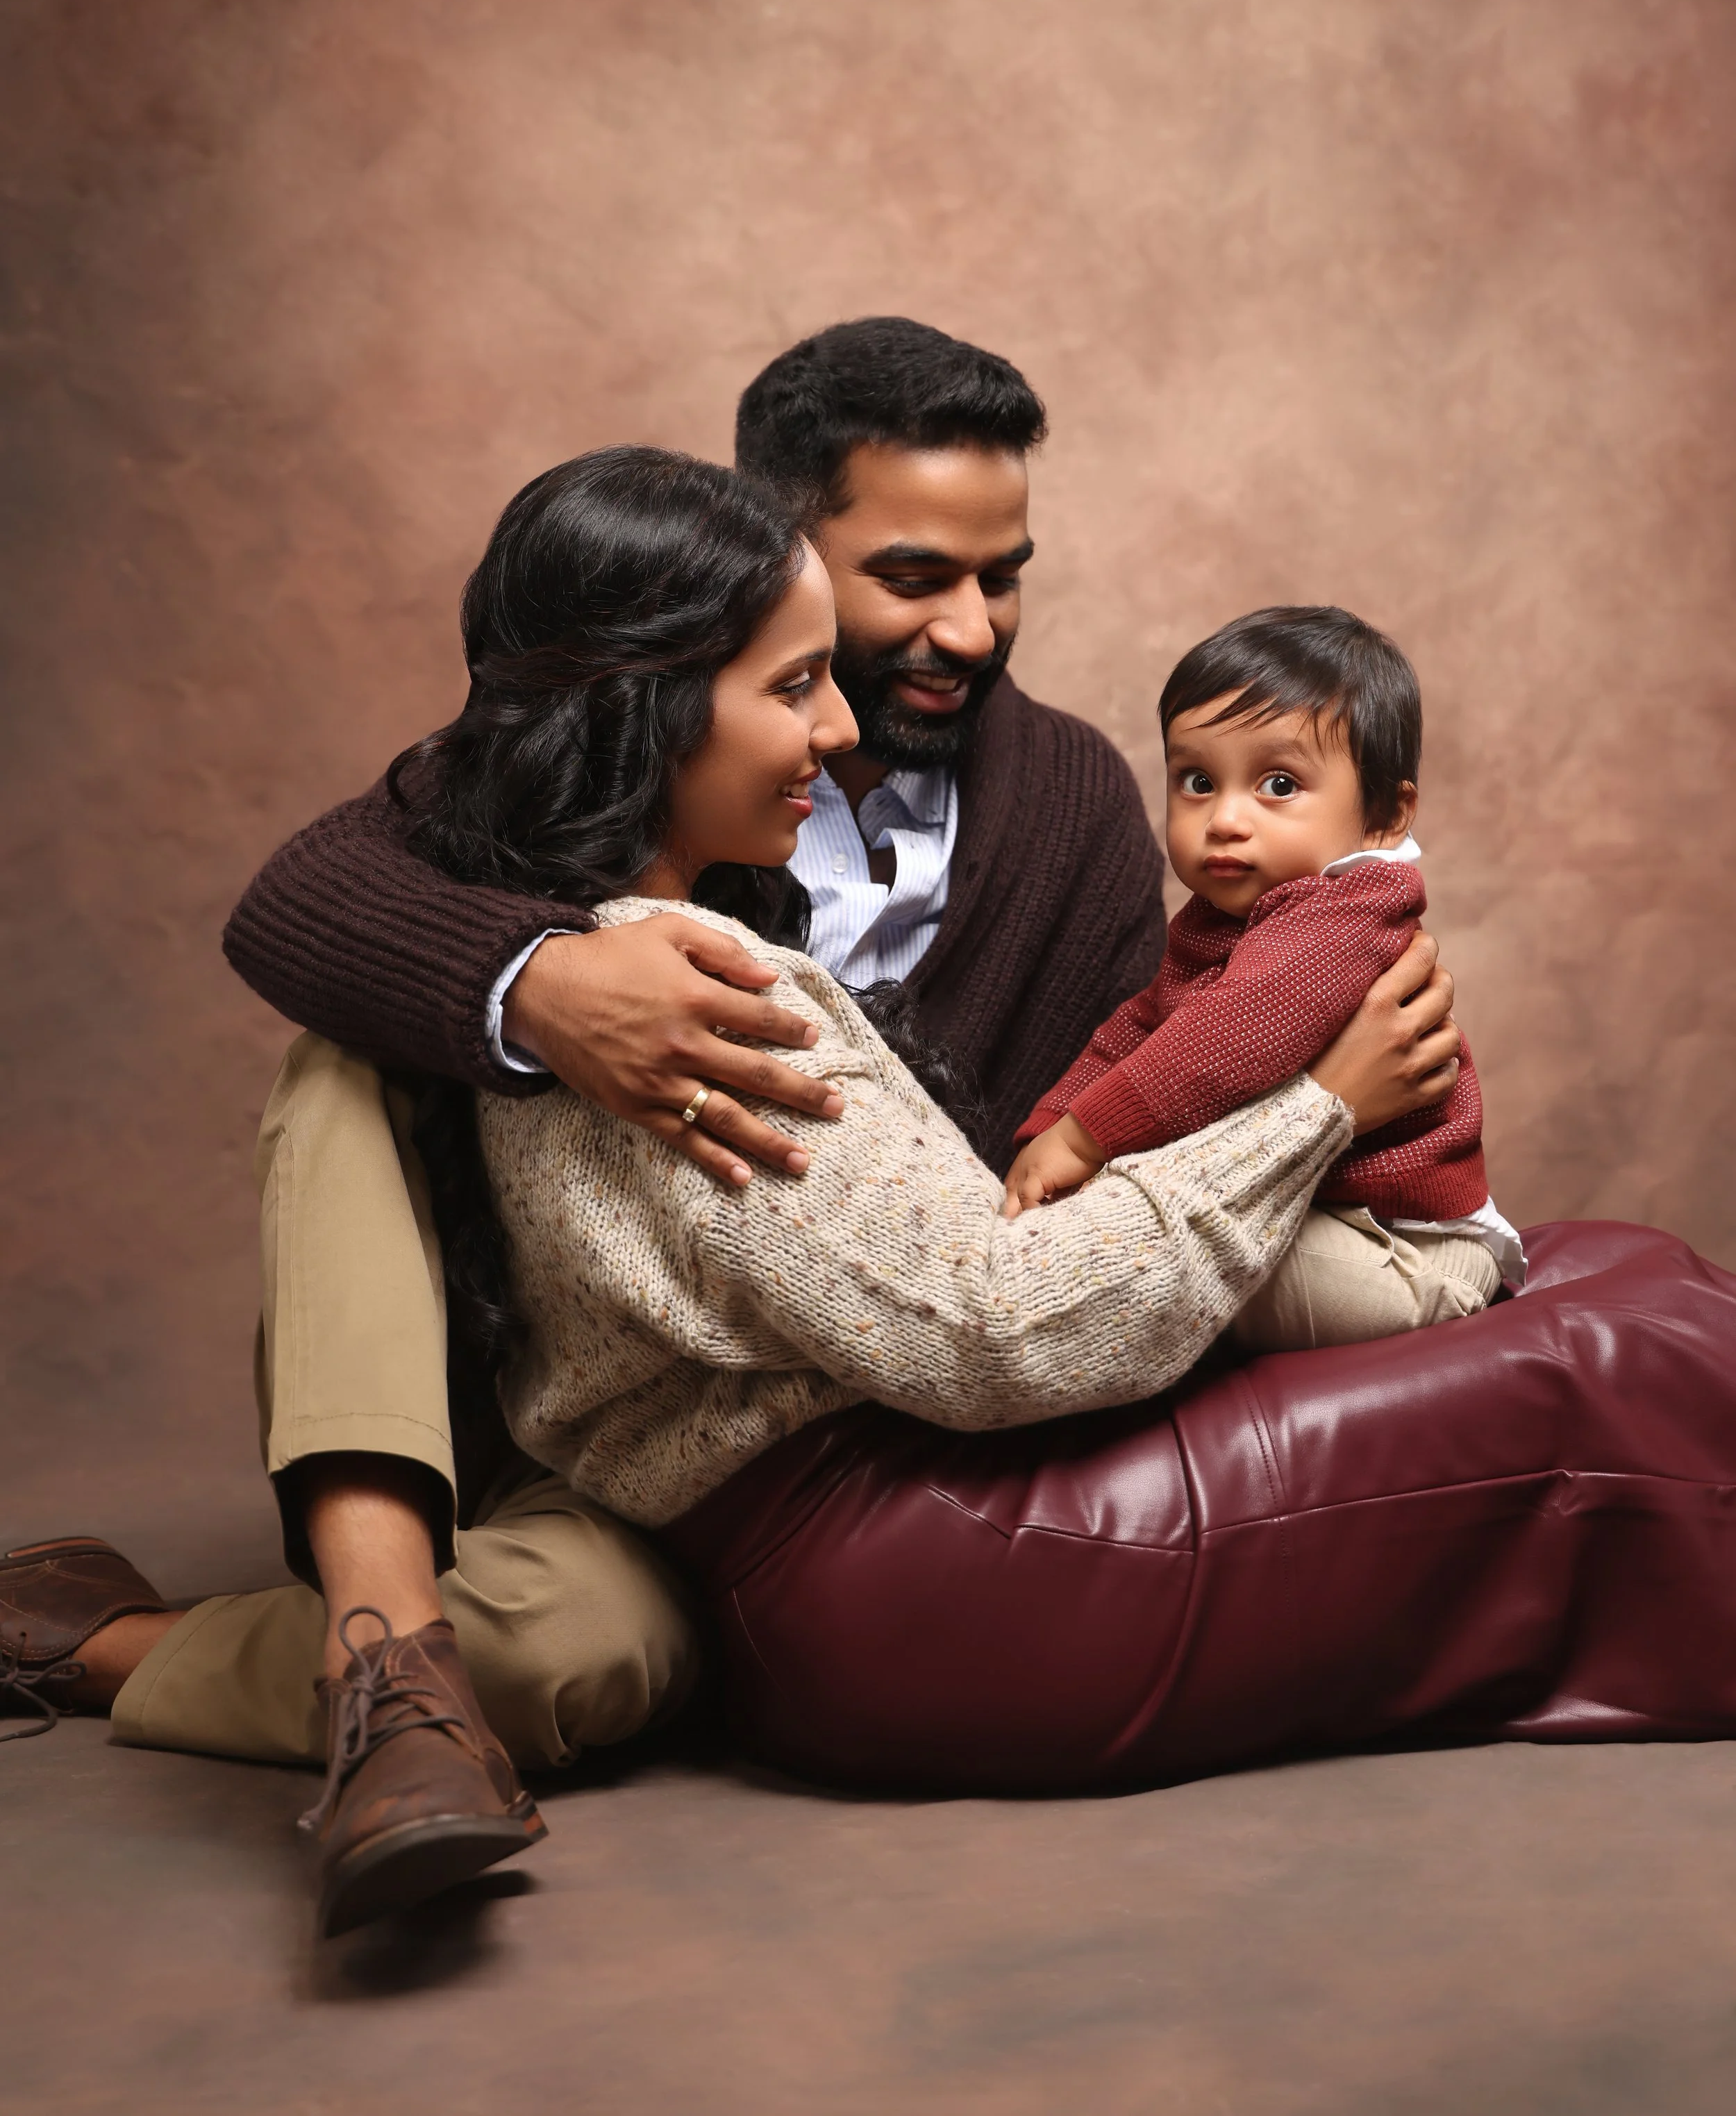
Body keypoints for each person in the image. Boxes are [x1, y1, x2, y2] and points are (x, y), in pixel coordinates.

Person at [366, 447, 1736, 1800]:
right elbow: (995, 1325)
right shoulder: (672, 997)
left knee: (1627, 1271)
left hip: (838, 1539)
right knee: (1635, 1348)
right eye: (793, 686)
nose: (838, 726)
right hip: (933, 1570)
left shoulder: (559, 958)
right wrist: (1322, 1109)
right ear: (641, 709)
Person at [1004, 605, 1526, 1352]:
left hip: (1401, 1249)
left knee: (1153, 1268)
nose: (1224, 818)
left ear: (1383, 815)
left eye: (1278, 784)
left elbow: (1223, 1042)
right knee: (1133, 1235)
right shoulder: (1220, 919)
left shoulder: (1344, 911)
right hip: (1305, 1205)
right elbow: (1140, 1030)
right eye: (1196, 780)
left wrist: (1086, 1142)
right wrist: (1045, 1131)